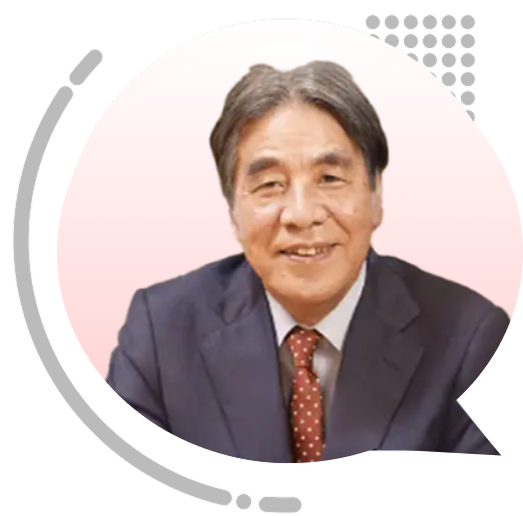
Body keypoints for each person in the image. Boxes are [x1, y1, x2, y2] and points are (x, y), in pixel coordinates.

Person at [106, 61, 508, 462]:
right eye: (270, 185)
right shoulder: (160, 332)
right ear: (232, 211)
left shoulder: (471, 339)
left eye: (330, 179)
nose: (302, 214)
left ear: (376, 196)